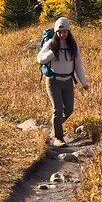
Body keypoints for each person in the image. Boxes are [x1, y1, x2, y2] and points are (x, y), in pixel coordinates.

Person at [38, 16, 90, 146]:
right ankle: (58, 138)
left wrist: (84, 82)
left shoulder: (73, 45)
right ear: (56, 32)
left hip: (67, 81)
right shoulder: (50, 43)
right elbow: (39, 58)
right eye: (60, 32)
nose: (62, 34)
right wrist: (50, 55)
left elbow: (78, 65)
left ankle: (55, 127)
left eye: (65, 31)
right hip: (53, 81)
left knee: (69, 110)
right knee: (58, 108)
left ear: (68, 31)